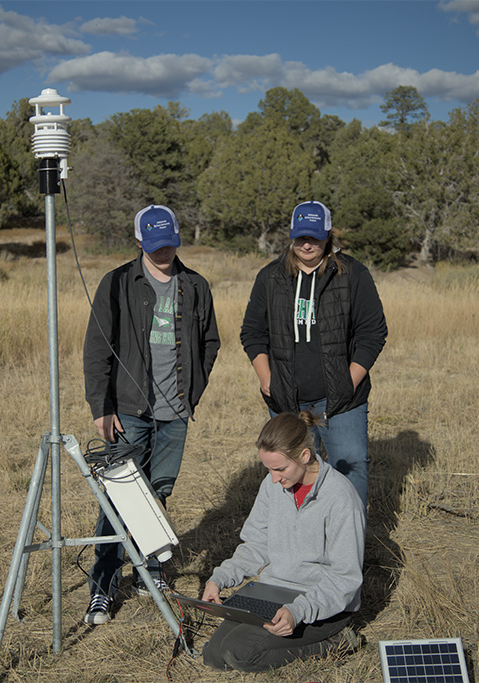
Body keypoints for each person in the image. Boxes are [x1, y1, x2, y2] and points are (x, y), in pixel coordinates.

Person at [82, 204, 221, 625]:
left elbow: (210, 342)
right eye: (155, 246)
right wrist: (100, 406)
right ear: (139, 242)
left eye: (170, 245)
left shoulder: (195, 285)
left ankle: (151, 573)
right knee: (118, 499)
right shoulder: (117, 283)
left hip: (175, 414)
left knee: (158, 495)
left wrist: (191, 392)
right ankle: (103, 588)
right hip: (128, 412)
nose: (163, 253)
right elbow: (96, 350)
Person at [240, 200, 387, 508]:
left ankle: (348, 547)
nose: (307, 244)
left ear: (328, 236)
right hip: (286, 400)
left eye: (315, 237)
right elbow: (253, 332)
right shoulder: (271, 277)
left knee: (350, 470)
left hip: (342, 402)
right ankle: (302, 548)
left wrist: (349, 381)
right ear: (292, 236)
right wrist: (267, 378)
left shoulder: (353, 275)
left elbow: (372, 333)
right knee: (294, 477)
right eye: (300, 237)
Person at [201, 411, 365, 671]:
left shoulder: (341, 498)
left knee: (240, 653)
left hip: (320, 603)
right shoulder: (272, 485)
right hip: (273, 592)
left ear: (304, 456)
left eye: (279, 469)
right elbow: (256, 544)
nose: (274, 478)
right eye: (268, 469)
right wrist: (219, 579)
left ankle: (336, 641)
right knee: (214, 656)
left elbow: (345, 579)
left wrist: (298, 611)